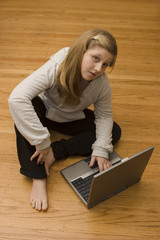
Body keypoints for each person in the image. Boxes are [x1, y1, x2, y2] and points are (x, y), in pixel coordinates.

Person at [8, 29, 121, 211]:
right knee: (22, 116)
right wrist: (41, 141)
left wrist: (101, 149)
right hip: (44, 108)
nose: (99, 69)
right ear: (82, 50)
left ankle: (54, 153)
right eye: (96, 58)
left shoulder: (101, 83)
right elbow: (17, 98)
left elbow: (104, 115)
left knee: (113, 132)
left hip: (70, 115)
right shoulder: (57, 65)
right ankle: (38, 176)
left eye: (106, 64)